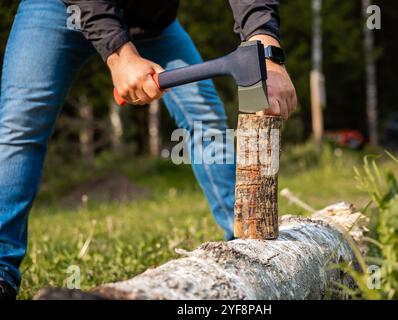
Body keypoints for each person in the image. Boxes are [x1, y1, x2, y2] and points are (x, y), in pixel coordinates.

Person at [0, 0, 297, 299]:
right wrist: (119, 53)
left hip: (150, 21)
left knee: (205, 117)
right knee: (20, 126)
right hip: (58, 7)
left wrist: (266, 46)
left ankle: (247, 246)